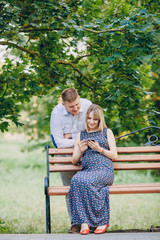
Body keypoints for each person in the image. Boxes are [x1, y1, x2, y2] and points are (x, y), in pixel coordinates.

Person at [68, 104, 118, 235]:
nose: (91, 122)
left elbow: (114, 155)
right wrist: (81, 150)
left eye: (95, 119)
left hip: (104, 170)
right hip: (88, 170)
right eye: (89, 118)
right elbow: (74, 160)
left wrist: (99, 149)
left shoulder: (107, 132)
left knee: (84, 181)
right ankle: (84, 222)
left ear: (100, 120)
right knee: (76, 180)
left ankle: (102, 221)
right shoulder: (81, 134)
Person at [50, 88, 92, 233]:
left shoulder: (87, 105)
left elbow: (94, 132)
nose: (75, 108)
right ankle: (76, 223)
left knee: (88, 189)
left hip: (87, 157)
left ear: (79, 98)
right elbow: (59, 142)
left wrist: (70, 137)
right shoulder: (56, 113)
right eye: (71, 106)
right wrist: (80, 139)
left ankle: (90, 223)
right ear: (63, 104)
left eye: (77, 105)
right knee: (70, 191)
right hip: (66, 158)